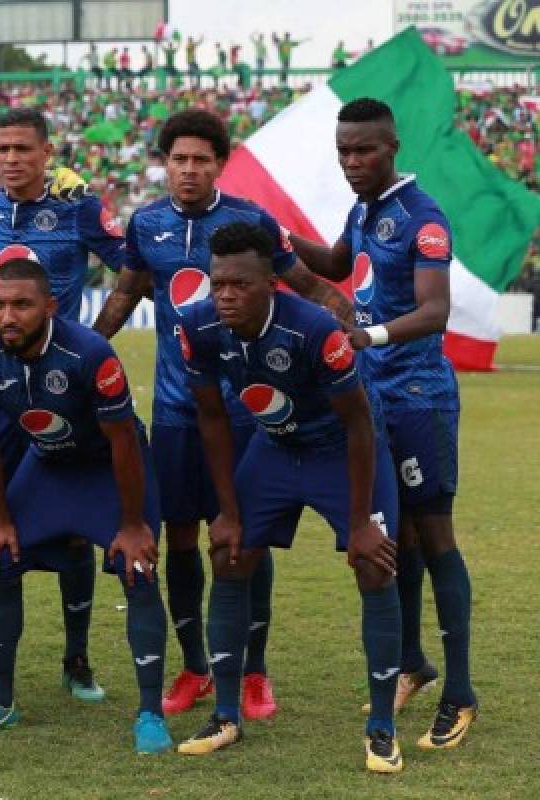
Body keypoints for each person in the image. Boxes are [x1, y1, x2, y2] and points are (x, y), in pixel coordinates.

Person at [93, 109, 353, 720]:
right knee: (180, 536)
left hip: (248, 413)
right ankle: (194, 668)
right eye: (178, 159)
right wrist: (88, 352)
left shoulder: (250, 222)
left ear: (219, 163)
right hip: (179, 411)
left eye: (201, 160)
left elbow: (309, 287)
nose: (189, 169)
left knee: (245, 539)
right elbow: (126, 294)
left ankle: (254, 672)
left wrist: (352, 323)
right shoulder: (147, 224)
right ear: (165, 163)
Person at [177, 221, 403, 773]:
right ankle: (227, 715)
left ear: (271, 283)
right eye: (217, 283)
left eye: (240, 285)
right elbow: (211, 418)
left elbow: (358, 425)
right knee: (229, 556)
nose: (225, 295)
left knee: (374, 565)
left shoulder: (313, 330)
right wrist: (227, 512)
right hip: (274, 449)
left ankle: (381, 728)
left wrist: (358, 524)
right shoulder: (199, 326)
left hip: (339, 450)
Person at [289, 97, 477, 750]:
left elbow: (434, 311)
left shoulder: (424, 219)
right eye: (343, 152)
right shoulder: (363, 210)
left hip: (419, 400)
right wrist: (281, 240)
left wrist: (366, 336)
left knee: (436, 537)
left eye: (362, 150)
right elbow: (338, 266)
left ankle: (460, 692)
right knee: (392, 537)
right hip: (374, 403)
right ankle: (413, 662)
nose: (351, 162)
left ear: (391, 145)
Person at [0, 108, 127, 701]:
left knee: (69, 528)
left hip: (66, 392)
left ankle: (78, 661)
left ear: (46, 152)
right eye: (2, 148)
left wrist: (95, 347)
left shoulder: (79, 208)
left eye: (22, 149)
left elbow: (128, 271)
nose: (11, 159)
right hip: (0, 391)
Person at [0, 259, 170, 753]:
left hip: (109, 471)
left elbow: (124, 445)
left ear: (49, 307)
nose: (8, 316)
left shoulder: (90, 354)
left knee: (137, 568)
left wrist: (133, 524)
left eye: (22, 305)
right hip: (47, 465)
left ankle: (150, 712)